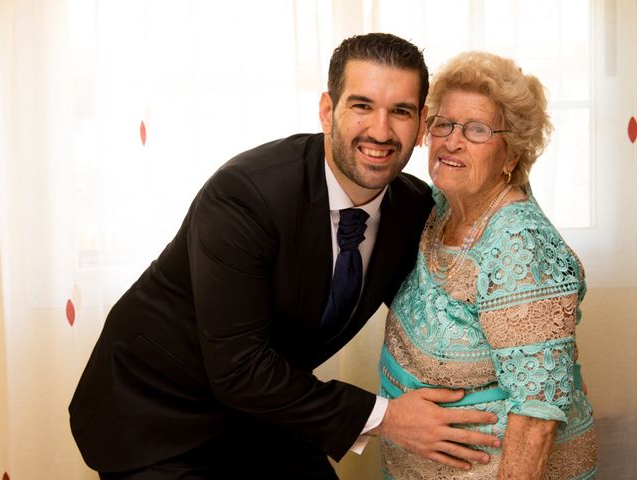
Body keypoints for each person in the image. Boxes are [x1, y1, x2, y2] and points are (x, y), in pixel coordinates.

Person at [69, 33, 501, 479]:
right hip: (154, 416)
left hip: (264, 414)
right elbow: (239, 368)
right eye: (362, 106)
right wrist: (388, 417)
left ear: (423, 122)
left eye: (401, 111)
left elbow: (451, 295)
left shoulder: (415, 209)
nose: (380, 131)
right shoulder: (244, 196)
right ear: (327, 111)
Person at [378, 50, 598, 479]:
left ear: (511, 156)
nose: (451, 141)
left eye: (477, 129)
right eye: (443, 123)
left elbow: (536, 415)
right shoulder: (441, 207)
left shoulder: (520, 245)